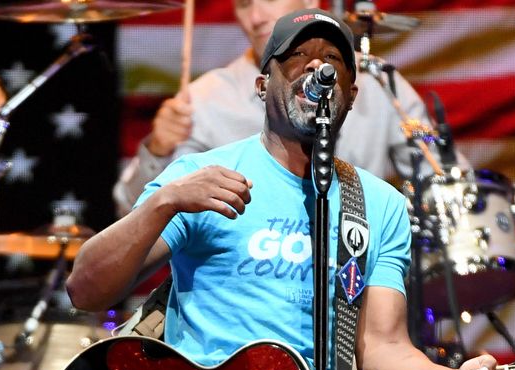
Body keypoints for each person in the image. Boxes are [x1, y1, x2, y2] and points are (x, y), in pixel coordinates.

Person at [68, 8, 505, 370]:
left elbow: (383, 348)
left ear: (351, 95)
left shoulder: (377, 207)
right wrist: (163, 202)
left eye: (332, 63)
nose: (315, 70)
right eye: (296, 59)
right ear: (262, 83)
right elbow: (86, 288)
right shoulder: (204, 176)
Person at [113, 0, 470, 217]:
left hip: (357, 277)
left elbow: (445, 177)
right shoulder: (206, 98)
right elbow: (132, 210)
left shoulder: (374, 80)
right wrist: (158, 149)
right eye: (243, 4)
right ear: (261, 87)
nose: (255, 17)